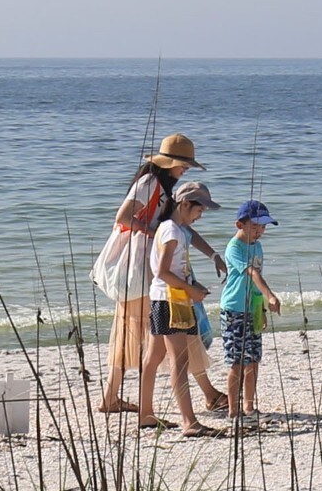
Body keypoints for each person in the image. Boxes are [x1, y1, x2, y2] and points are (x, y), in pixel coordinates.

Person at [100, 133, 229, 414]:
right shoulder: (149, 183)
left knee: (145, 331)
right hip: (143, 270)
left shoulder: (164, 189)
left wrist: (213, 255)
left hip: (151, 271)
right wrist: (156, 232)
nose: (185, 170)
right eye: (184, 165)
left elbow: (182, 227)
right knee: (164, 329)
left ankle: (111, 398)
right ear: (169, 162)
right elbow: (123, 217)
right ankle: (208, 394)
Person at [139, 181, 227, 437]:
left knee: (153, 357)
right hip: (171, 301)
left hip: (162, 298)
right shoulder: (172, 231)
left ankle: (146, 414)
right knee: (179, 360)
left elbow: (171, 272)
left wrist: (193, 285)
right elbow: (163, 272)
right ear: (185, 205)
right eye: (199, 211)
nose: (200, 217)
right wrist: (190, 291)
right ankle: (189, 422)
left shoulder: (172, 228)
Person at [220, 200, 282, 419]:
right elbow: (253, 274)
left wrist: (262, 309)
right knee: (236, 362)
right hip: (234, 310)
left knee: (253, 360)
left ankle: (249, 406)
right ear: (240, 224)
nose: (260, 231)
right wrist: (271, 295)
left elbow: (257, 281)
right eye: (255, 226)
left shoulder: (257, 246)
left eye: (263, 227)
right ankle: (233, 410)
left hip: (253, 308)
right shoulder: (234, 248)